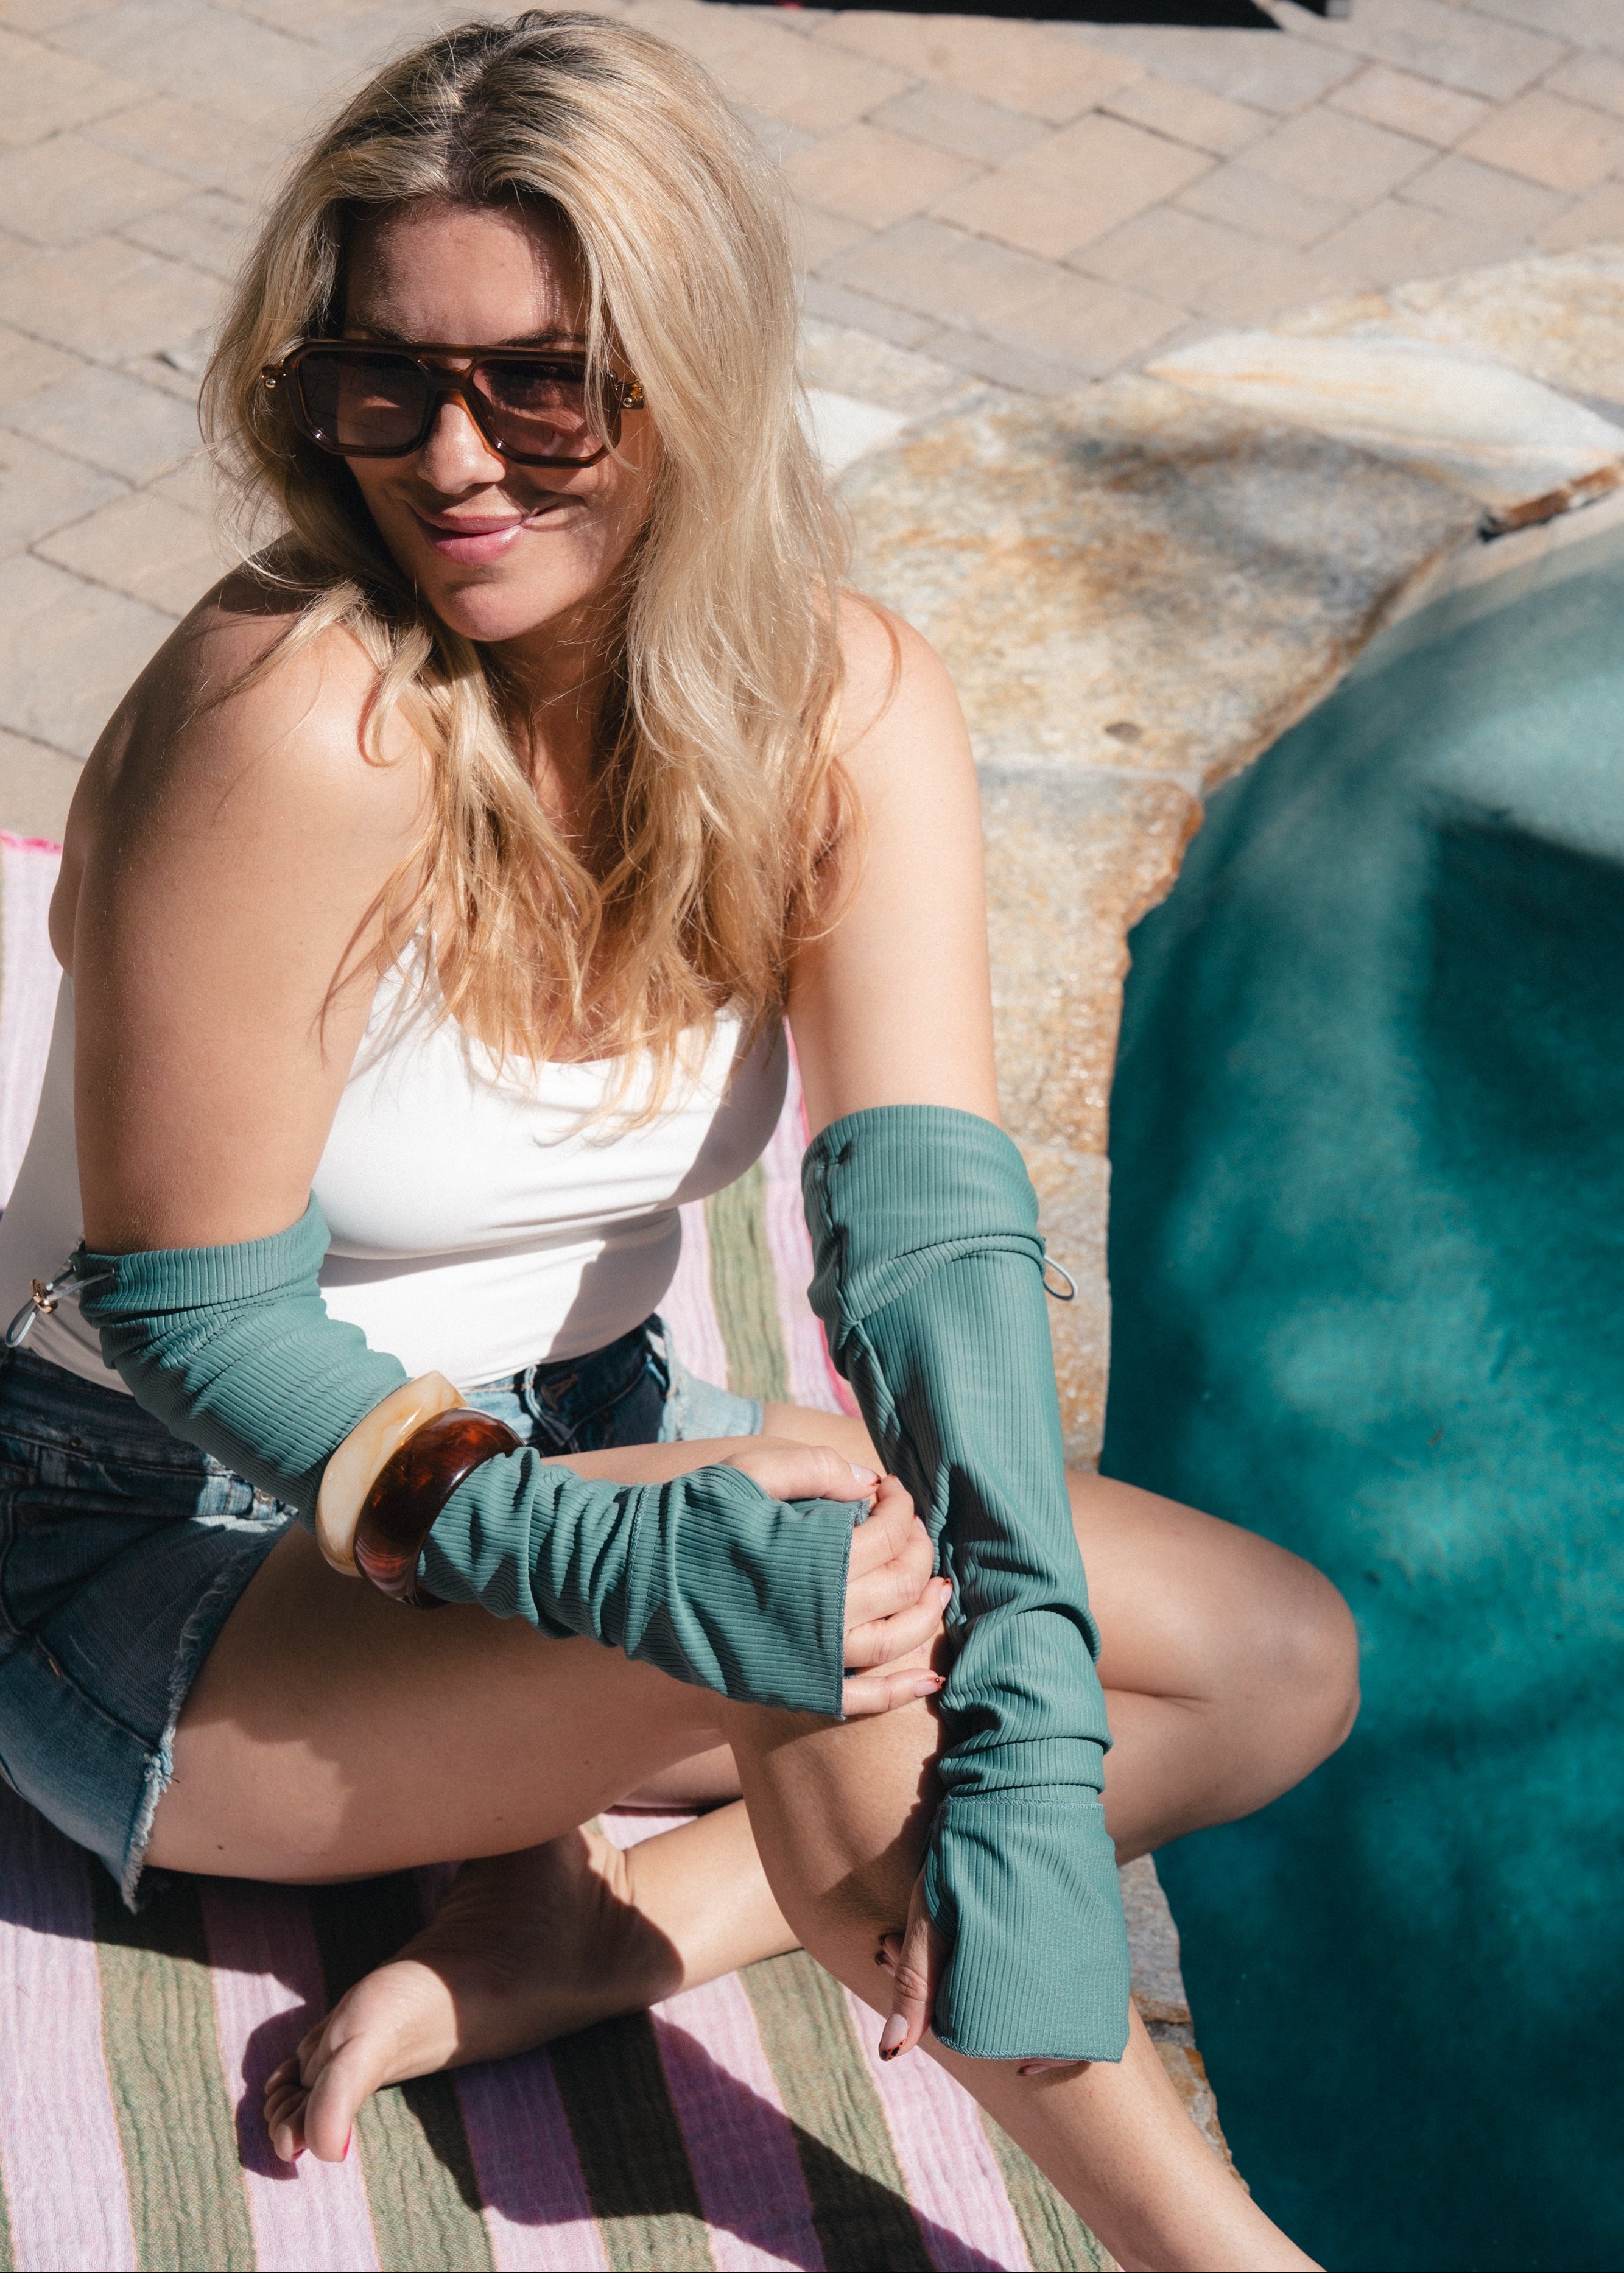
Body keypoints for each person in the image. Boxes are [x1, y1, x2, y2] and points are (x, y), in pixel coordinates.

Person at [0, 15, 1356, 2266]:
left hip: (597, 1445)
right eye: (383, 381)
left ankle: (609, 1928)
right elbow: (186, 1310)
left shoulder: (841, 701)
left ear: (691, 384)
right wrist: (586, 1547)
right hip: (171, 1555)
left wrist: (1013, 1725)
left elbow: (924, 1240)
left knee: (1260, 1654)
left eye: (542, 388)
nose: (453, 463)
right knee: (802, 1572)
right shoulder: (303, 714)